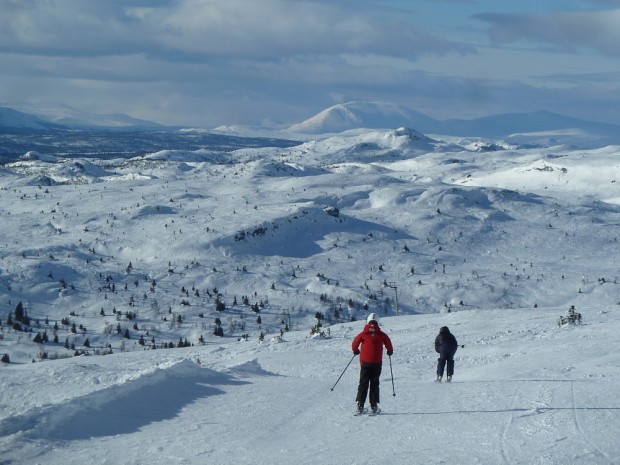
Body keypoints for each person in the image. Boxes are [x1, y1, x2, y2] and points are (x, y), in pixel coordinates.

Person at [352, 313, 393, 414]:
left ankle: (360, 406)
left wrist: (355, 350)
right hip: (376, 363)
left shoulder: (363, 334)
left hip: (365, 363)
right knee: (374, 383)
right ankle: (373, 406)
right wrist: (389, 351)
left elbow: (355, 344)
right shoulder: (381, 334)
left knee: (363, 383)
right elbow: (388, 342)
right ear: (377, 322)